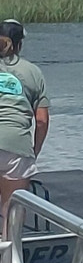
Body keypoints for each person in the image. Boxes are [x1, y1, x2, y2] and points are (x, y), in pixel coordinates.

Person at [0, 19, 49, 232]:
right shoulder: (33, 72)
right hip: (15, 146)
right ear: (19, 45)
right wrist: (34, 151)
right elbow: (41, 120)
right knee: (11, 212)